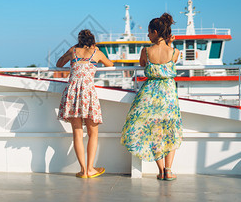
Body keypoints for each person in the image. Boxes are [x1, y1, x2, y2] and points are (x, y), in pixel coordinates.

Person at [120, 13, 183, 181]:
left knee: (154, 132)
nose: (147, 35)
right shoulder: (175, 52)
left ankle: (161, 170)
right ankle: (169, 170)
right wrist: (169, 43)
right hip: (168, 96)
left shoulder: (146, 51)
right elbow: (170, 60)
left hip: (149, 95)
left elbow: (142, 64)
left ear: (155, 32)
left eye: (149, 32)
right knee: (171, 133)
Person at [57, 29, 113, 178]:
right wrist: (97, 50)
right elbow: (110, 64)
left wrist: (72, 51)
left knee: (77, 133)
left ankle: (83, 170)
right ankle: (90, 169)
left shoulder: (73, 51)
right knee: (93, 133)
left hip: (72, 93)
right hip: (88, 93)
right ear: (93, 41)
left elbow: (59, 63)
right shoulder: (97, 53)